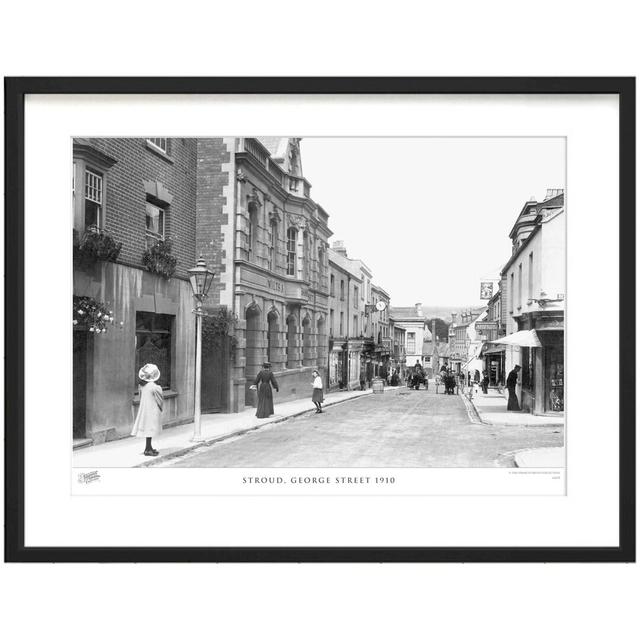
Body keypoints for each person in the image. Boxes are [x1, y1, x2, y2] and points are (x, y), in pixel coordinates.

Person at [131, 363, 163, 456]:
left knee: (148, 430)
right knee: (150, 429)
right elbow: (160, 399)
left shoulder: (142, 386)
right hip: (152, 410)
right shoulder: (154, 387)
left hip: (145, 409)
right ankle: (148, 449)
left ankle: (148, 447)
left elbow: (141, 397)